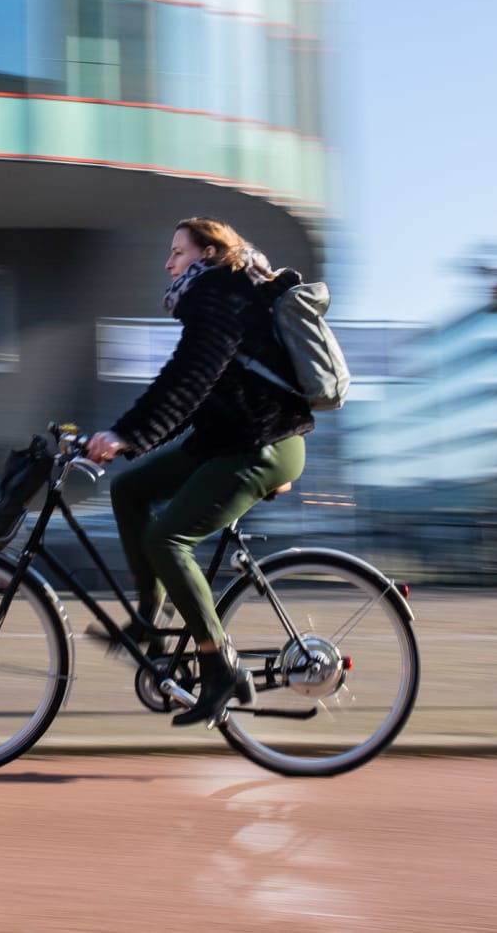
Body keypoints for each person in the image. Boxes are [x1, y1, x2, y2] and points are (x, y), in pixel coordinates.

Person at [85, 217, 313, 727]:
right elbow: (193, 397)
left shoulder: (220, 293)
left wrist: (126, 434)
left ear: (208, 253)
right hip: (227, 441)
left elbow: (188, 378)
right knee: (130, 490)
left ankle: (220, 667)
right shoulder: (221, 296)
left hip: (262, 444)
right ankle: (151, 615)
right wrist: (129, 444)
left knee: (168, 540)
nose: (168, 263)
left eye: (177, 252)